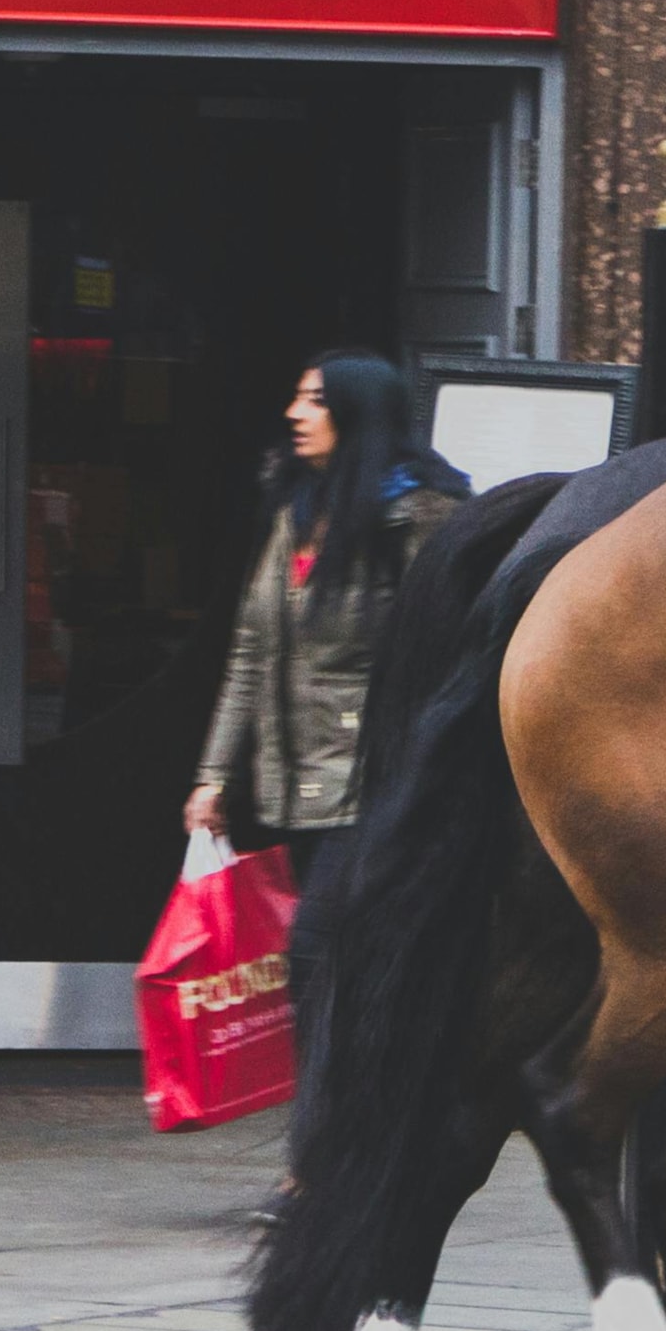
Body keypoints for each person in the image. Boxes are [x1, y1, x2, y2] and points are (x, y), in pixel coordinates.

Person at [189, 349, 470, 1060]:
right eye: (299, 397)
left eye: (314, 400)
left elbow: (452, 653)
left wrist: (428, 771)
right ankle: (341, 1134)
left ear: (357, 414)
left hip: (373, 780)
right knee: (327, 964)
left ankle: (330, 1141)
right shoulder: (295, 514)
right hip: (295, 780)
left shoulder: (416, 518)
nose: (294, 414)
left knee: (316, 952)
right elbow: (252, 655)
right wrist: (214, 777)